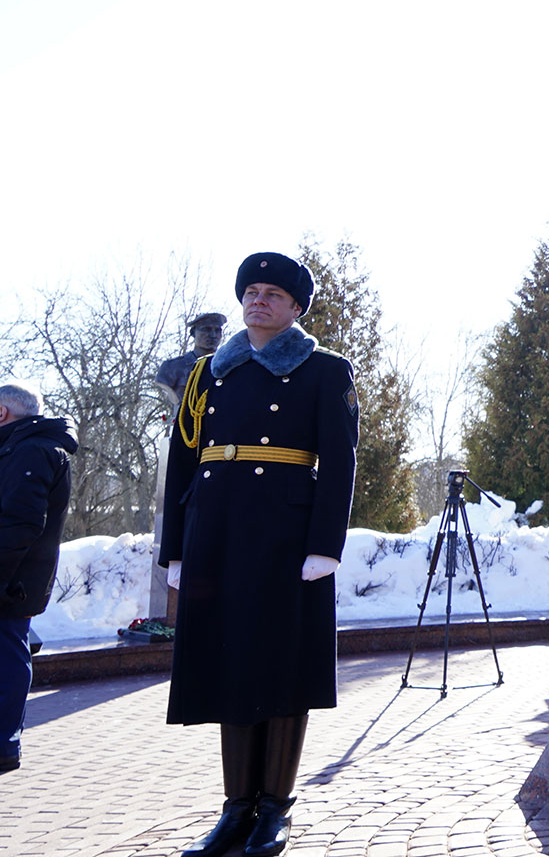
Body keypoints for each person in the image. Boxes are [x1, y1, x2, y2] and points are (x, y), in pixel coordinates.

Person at [161, 252, 358, 857]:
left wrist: (324, 546)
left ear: (296, 307)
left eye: (273, 293)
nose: (258, 300)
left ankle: (274, 808)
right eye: (251, 291)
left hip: (285, 536)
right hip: (216, 531)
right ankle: (236, 808)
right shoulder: (209, 373)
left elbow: (340, 461)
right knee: (230, 663)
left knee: (282, 665)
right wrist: (176, 548)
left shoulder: (325, 369)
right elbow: (183, 460)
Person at [0, 383, 76, 776]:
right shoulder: (20, 447)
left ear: (1, 412)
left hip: (6, 581)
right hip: (5, 575)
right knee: (4, 658)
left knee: (6, 662)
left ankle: (0, 746)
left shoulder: (30, 450)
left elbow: (22, 521)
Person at [153, 313, 229, 407]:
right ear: (193, 333)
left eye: (217, 330)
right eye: (206, 329)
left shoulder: (228, 367)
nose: (213, 335)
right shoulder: (172, 367)